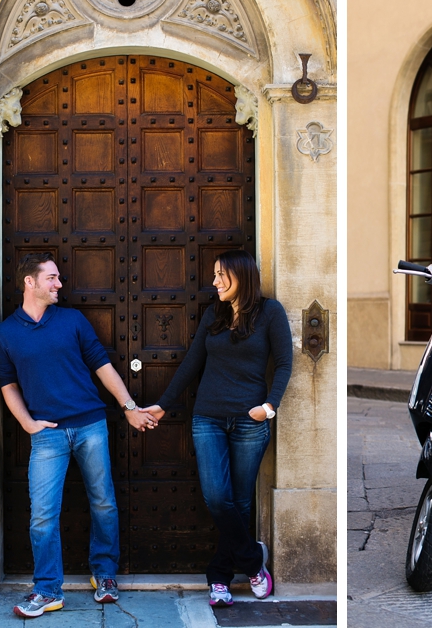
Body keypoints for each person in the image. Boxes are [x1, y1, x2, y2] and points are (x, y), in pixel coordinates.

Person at [0, 253, 157, 618]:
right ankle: (48, 590)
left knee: (103, 502)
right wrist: (27, 423)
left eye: (59, 278)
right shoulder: (6, 332)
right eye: (51, 278)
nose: (59, 284)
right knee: (42, 516)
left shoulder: (71, 320)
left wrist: (129, 409)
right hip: (47, 435)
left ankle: (105, 574)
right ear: (29, 282)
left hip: (90, 425)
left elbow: (102, 365)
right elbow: (8, 383)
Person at [140, 250, 292, 607]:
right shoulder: (215, 314)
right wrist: (163, 404)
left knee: (239, 501)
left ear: (243, 275)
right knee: (217, 497)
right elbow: (192, 363)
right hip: (207, 417)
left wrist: (269, 407)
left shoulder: (271, 312)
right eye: (214, 275)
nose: (215, 282)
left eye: (222, 275)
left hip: (250, 421)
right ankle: (255, 561)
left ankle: (219, 578)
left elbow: (284, 364)